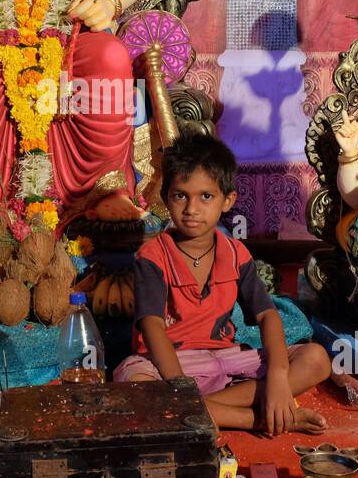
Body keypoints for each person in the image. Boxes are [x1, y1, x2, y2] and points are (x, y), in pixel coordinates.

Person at [113, 134, 331, 435]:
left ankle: (195, 412)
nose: (191, 209)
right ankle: (254, 418)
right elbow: (151, 325)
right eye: (180, 196)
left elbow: (268, 316)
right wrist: (179, 388)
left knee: (316, 359)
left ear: (227, 200)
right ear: (165, 197)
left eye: (206, 196)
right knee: (137, 388)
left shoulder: (235, 252)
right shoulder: (152, 255)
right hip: (171, 367)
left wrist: (279, 378)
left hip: (226, 363)